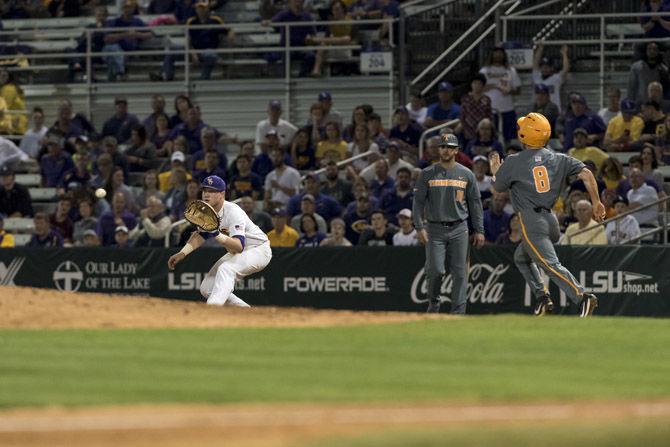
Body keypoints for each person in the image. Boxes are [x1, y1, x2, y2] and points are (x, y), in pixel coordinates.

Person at [489, 112, 604, 317]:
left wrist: (496, 168)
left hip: (531, 221)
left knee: (549, 264)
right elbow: (587, 174)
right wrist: (596, 202)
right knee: (521, 258)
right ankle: (543, 298)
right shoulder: (558, 158)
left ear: (525, 134)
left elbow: (498, 187)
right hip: (551, 221)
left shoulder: (515, 161)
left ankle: (583, 296)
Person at [168, 175, 272, 307]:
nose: (206, 194)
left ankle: (211, 312)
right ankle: (245, 311)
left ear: (222, 194)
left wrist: (216, 233)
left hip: (258, 250)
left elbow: (239, 246)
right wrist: (183, 253)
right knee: (207, 288)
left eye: (212, 191)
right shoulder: (207, 211)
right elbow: (200, 235)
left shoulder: (233, 211)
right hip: (239, 252)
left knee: (226, 269)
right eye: (205, 190)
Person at [412, 133, 485, 314]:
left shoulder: (467, 174)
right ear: (439, 149)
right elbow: (418, 202)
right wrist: (419, 226)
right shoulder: (427, 173)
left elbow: (475, 203)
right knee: (435, 270)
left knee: (460, 273)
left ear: (456, 150)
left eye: (450, 147)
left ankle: (458, 313)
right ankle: (434, 301)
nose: (446, 150)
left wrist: (479, 230)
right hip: (434, 228)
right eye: (443, 147)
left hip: (460, 227)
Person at [154, 1, 234, 81]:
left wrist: (230, 35)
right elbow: (188, 40)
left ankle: (204, 79)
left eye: (203, 8)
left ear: (208, 9)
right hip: (193, 50)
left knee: (210, 55)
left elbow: (229, 30)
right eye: (198, 8)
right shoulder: (191, 21)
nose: (200, 10)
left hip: (208, 51)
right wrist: (192, 53)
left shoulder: (216, 20)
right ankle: (168, 76)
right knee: (171, 52)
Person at [102, 0, 152, 81]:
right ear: (122, 9)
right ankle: (121, 72)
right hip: (114, 50)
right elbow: (107, 39)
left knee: (111, 59)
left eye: (129, 7)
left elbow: (149, 34)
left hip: (129, 52)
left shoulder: (137, 21)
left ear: (133, 8)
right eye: (125, 7)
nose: (127, 9)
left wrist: (137, 34)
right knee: (113, 48)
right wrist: (125, 34)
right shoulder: (114, 22)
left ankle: (114, 78)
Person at [479, 46, 522, 142]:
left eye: (500, 52)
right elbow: (478, 88)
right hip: (490, 110)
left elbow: (518, 90)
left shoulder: (510, 70)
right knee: (490, 137)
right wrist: (494, 86)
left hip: (508, 109)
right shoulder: (484, 71)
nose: (498, 55)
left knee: (510, 137)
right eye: (496, 52)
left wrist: (509, 90)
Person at [531, 44, 570, 111]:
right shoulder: (536, 77)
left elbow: (566, 69)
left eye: (547, 67)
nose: (544, 69)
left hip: (553, 111)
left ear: (552, 68)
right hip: (538, 111)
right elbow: (535, 63)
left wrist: (564, 54)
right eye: (543, 67)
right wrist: (540, 49)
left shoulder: (556, 79)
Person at [456, 73, 491, 144]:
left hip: (482, 131)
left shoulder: (486, 99)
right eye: (475, 83)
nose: (477, 86)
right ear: (471, 84)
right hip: (468, 130)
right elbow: (462, 116)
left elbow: (488, 116)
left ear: (483, 85)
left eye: (479, 84)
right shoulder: (465, 98)